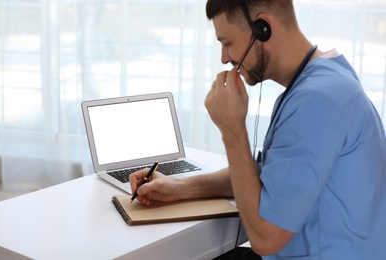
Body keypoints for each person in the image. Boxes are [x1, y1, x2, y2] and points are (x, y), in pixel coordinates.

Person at [130, 0, 386, 259]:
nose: (224, 58)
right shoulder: (324, 79)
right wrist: (180, 187)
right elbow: (267, 177)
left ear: (263, 27)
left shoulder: (316, 101)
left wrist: (232, 130)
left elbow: (265, 239)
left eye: (227, 42)